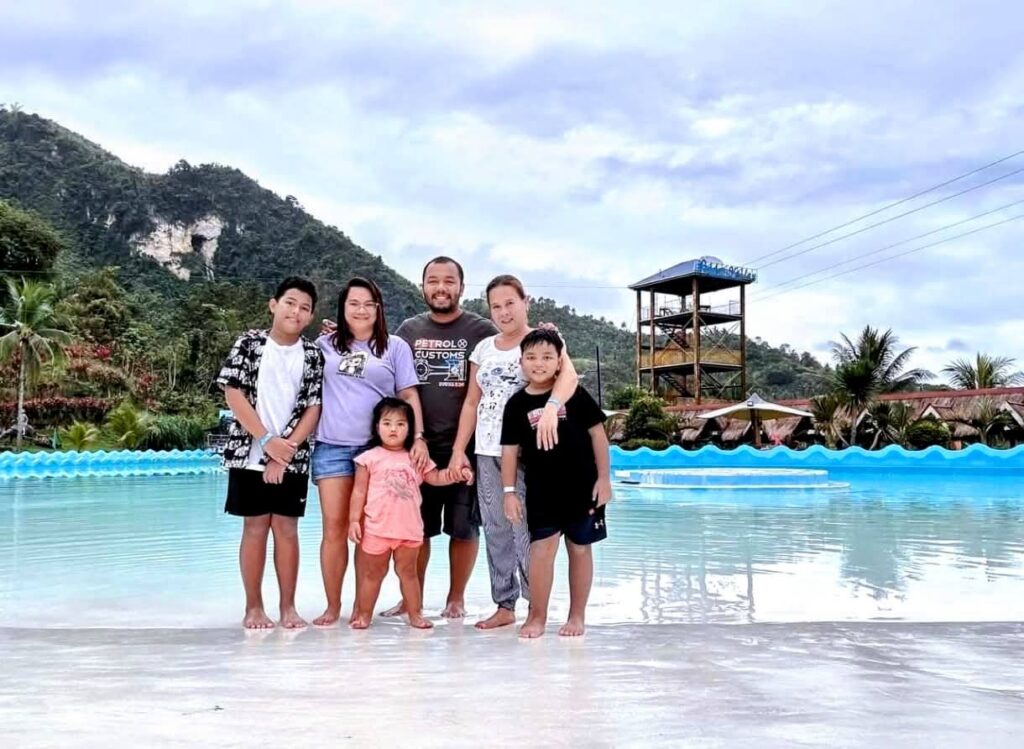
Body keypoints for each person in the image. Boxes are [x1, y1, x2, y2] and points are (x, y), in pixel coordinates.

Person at [449, 274, 578, 630]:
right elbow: (472, 402)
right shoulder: (484, 349)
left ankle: (536, 605)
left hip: (531, 452)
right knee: (495, 527)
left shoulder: (544, 341)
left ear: (526, 302)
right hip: (488, 450)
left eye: (510, 303)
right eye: (496, 306)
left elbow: (569, 378)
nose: (504, 312)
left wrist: (551, 406)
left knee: (529, 527)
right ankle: (504, 604)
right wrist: (461, 450)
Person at [310, 277, 427, 627]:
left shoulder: (395, 348)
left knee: (370, 531)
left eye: (368, 304)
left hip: (379, 452)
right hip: (332, 446)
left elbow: (408, 395)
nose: (361, 310)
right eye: (353, 304)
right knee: (335, 528)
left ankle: (363, 609)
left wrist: (418, 437)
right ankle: (333, 606)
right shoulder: (323, 346)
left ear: (378, 309)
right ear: (342, 309)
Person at [215, 277, 325, 630]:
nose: (296, 311)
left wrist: (283, 453)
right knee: (255, 527)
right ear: (273, 304)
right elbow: (234, 393)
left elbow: (313, 407)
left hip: (292, 454)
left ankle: (288, 607)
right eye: (290, 302)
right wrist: (265, 442)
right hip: (248, 451)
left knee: (287, 528)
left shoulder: (311, 354)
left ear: (310, 317)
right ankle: (254, 608)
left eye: (304, 308)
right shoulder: (249, 342)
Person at [500, 329, 612, 638]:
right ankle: (537, 616)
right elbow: (508, 453)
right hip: (542, 492)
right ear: (521, 361)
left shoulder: (575, 393)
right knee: (541, 550)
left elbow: (598, 437)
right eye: (532, 357)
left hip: (583, 488)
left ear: (560, 361)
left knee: (579, 549)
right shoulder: (516, 405)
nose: (539, 363)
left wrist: (604, 479)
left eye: (548, 357)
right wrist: (509, 492)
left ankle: (577, 617)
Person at [347, 398, 473, 629]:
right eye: (387, 423)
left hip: (410, 529)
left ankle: (415, 614)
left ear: (411, 429)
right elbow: (358, 492)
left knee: (409, 574)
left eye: (400, 424)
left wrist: (457, 474)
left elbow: (436, 478)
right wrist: (354, 520)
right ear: (376, 427)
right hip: (377, 529)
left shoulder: (416, 458)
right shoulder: (369, 458)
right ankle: (364, 614)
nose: (393, 429)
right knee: (373, 574)